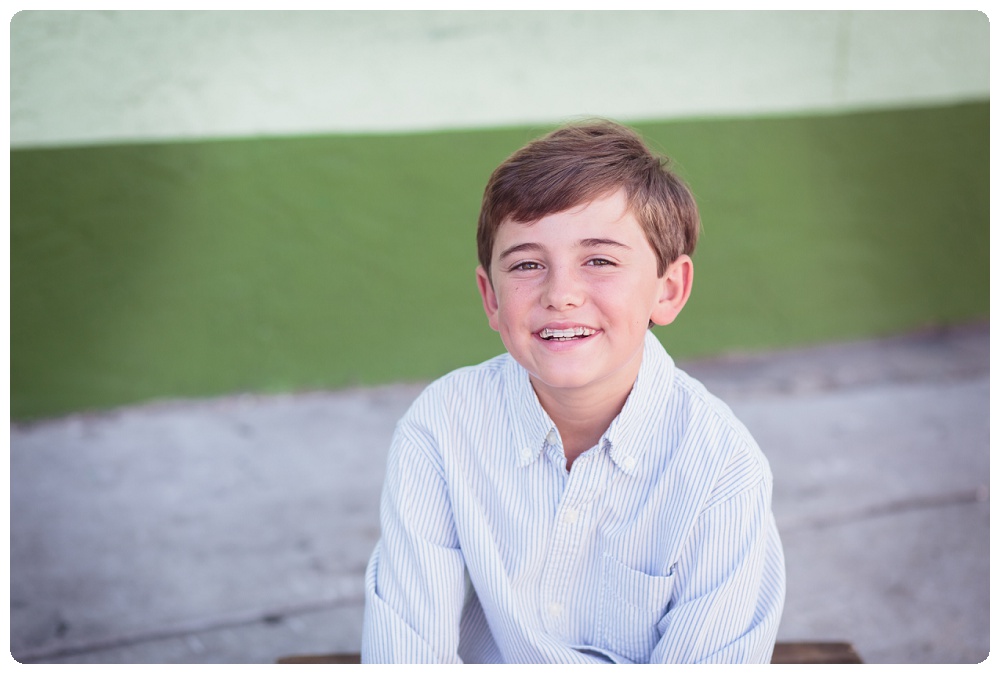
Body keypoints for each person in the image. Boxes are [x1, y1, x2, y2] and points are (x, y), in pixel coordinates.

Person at [361, 120, 785, 663]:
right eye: (528, 264)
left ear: (669, 289)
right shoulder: (442, 427)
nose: (561, 294)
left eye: (600, 261)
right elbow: (407, 651)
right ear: (491, 298)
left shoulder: (721, 468)